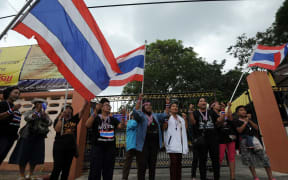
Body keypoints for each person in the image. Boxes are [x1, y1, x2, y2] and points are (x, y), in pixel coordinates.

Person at [9, 98, 52, 180]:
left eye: (42, 103)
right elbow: (27, 118)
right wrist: (36, 113)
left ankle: (31, 174)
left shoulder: (44, 114)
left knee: (35, 156)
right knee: (23, 155)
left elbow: (50, 123)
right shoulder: (30, 112)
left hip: (39, 137)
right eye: (39, 103)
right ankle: (22, 175)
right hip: (27, 136)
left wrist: (45, 117)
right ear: (35, 104)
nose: (41, 104)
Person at [86, 98, 125, 180]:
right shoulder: (96, 118)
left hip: (110, 149)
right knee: (95, 172)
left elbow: (121, 126)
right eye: (106, 105)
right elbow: (87, 125)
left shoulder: (113, 119)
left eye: (109, 105)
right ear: (101, 107)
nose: (108, 106)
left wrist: (123, 117)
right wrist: (95, 111)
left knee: (108, 173)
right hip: (97, 148)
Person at [132, 94, 169, 180]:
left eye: (150, 105)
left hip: (154, 145)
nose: (149, 106)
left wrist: (167, 104)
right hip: (143, 145)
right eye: (146, 105)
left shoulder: (155, 116)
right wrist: (139, 100)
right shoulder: (141, 116)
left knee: (152, 166)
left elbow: (165, 114)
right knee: (142, 166)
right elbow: (135, 112)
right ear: (143, 107)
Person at [234, 106, 276, 180]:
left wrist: (249, 120)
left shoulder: (250, 119)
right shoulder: (236, 121)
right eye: (241, 110)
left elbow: (256, 128)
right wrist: (245, 122)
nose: (244, 111)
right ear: (237, 113)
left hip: (254, 140)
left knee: (264, 157)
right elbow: (239, 131)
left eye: (244, 110)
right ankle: (255, 177)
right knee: (249, 159)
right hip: (244, 141)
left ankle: (270, 176)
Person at [50, 101, 89, 180]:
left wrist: (85, 103)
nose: (68, 109)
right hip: (59, 148)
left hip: (70, 148)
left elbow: (82, 111)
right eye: (66, 108)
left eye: (70, 108)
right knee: (57, 168)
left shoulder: (74, 119)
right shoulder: (58, 119)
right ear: (62, 110)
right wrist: (61, 117)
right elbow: (57, 129)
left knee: (66, 169)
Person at [189, 97, 225, 180]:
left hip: (213, 138)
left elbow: (220, 121)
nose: (203, 102)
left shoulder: (211, 112)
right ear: (198, 104)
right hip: (202, 139)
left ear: (206, 103)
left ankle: (216, 177)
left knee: (215, 160)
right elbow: (193, 122)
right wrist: (190, 111)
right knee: (202, 160)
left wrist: (223, 110)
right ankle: (203, 177)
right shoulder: (195, 113)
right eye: (201, 101)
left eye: (204, 101)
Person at [211, 101, 236, 180]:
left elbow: (230, 118)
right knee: (220, 157)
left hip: (229, 137)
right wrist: (223, 110)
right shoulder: (212, 114)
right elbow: (219, 122)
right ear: (213, 106)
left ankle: (232, 177)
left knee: (231, 157)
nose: (219, 105)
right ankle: (216, 175)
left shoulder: (223, 112)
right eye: (217, 104)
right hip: (220, 138)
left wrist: (229, 108)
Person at [164, 102, 189, 180]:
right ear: (170, 108)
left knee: (178, 164)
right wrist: (166, 120)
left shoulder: (180, 118)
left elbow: (186, 128)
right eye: (173, 106)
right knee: (174, 163)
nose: (175, 108)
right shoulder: (168, 117)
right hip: (171, 144)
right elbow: (164, 128)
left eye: (176, 106)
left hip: (180, 144)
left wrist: (185, 119)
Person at [0, 86, 21, 165]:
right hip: (2, 136)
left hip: (11, 137)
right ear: (8, 93)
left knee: (2, 156)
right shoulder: (3, 104)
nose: (17, 95)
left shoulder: (14, 106)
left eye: (18, 93)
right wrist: (11, 110)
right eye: (15, 93)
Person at [122, 112, 138, 180]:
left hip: (136, 145)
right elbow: (133, 125)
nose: (134, 116)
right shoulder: (130, 122)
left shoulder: (129, 122)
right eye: (133, 115)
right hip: (131, 146)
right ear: (131, 116)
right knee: (127, 164)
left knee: (139, 164)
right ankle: (124, 177)